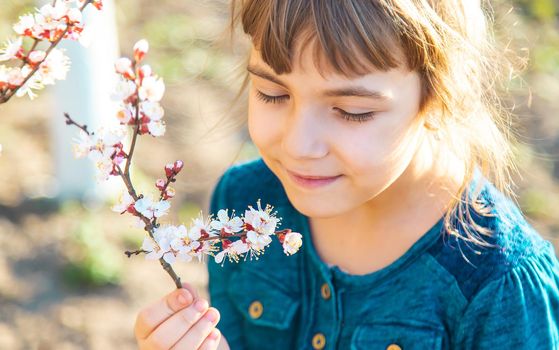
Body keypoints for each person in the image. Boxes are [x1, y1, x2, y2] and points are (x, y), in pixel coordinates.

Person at [133, 0, 559, 349]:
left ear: (438, 97)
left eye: (352, 112)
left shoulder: (498, 285)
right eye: (273, 94)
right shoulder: (245, 206)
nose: (299, 146)